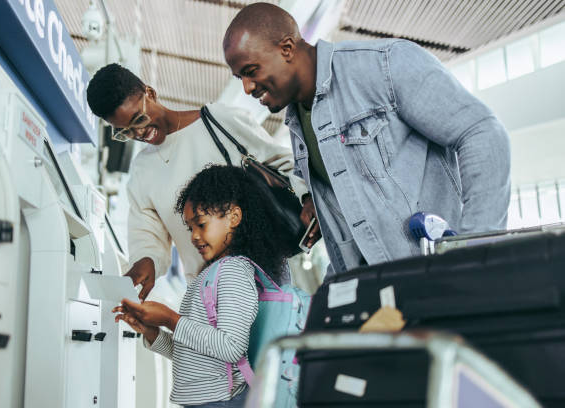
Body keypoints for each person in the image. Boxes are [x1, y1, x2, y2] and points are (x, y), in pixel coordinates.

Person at [222, 3, 511, 276]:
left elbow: (482, 132)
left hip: (442, 277)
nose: (247, 88)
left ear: (286, 48)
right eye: (240, 79)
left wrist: (475, 248)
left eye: (251, 71)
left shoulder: (383, 65)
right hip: (382, 298)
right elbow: (351, 231)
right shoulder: (298, 125)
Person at [86, 63, 313, 299]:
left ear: (150, 93)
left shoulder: (218, 121)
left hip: (263, 276)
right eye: (126, 132)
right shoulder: (142, 170)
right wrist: (146, 261)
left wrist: (306, 196)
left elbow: (281, 161)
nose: (139, 134)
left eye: (139, 119)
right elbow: (146, 231)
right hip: (206, 290)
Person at [112, 165, 292, 407]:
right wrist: (151, 331)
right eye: (190, 228)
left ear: (234, 217)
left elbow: (231, 348)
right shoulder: (211, 274)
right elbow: (196, 358)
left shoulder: (234, 271)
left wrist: (170, 319)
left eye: (201, 224)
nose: (194, 236)